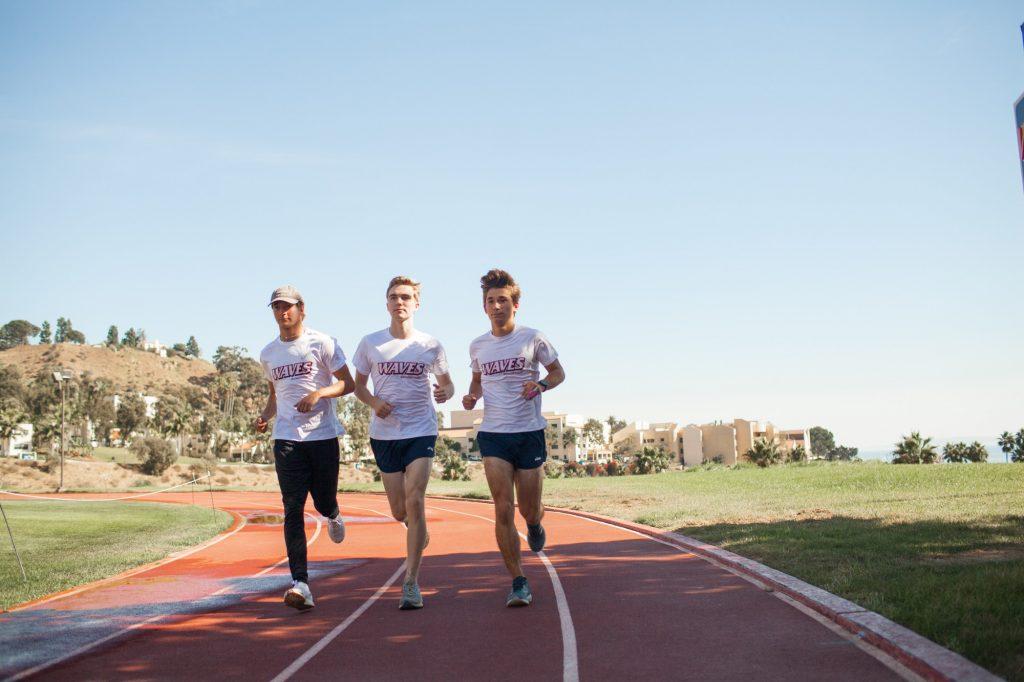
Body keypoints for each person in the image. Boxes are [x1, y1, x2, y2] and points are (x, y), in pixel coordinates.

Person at [462, 269, 565, 607]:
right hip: (494, 435)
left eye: (502, 300)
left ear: (515, 304)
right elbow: (476, 382)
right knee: (502, 508)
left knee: (529, 509)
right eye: (490, 301)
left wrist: (541, 385)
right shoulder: (478, 345)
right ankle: (518, 581)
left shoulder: (533, 338)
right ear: (484, 306)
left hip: (529, 432)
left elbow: (558, 372)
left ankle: (535, 524)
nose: (496, 306)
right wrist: (471, 397)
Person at [352, 276, 454, 610]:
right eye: (394, 297)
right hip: (384, 434)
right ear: (387, 304)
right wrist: (373, 403)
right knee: (400, 511)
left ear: (417, 303)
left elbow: (448, 385)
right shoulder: (371, 343)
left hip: (421, 429)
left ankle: (410, 582)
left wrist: (445, 392)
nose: (400, 302)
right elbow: (359, 387)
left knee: (416, 499)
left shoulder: (430, 344)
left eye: (407, 297)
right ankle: (416, 528)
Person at [255, 285, 355, 612]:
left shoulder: (322, 343)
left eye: (288, 307)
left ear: (301, 309)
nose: (283, 313)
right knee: (293, 507)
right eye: (277, 308)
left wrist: (319, 394)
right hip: (286, 438)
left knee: (324, 500)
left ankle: (333, 512)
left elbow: (347, 383)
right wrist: (265, 416)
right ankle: (300, 582)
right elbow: (275, 397)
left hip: (322, 436)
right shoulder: (268, 354)